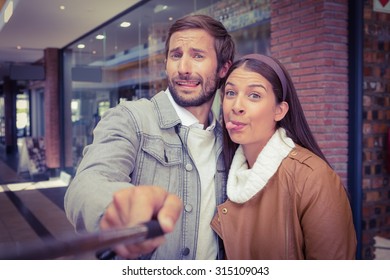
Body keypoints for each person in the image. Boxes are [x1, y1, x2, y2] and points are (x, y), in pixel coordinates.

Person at [64, 14, 235, 260]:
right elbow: (88, 182)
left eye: (198, 56)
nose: (184, 68)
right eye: (176, 55)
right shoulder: (130, 118)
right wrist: (114, 208)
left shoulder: (228, 140)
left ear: (223, 68)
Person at [210, 54, 357, 259]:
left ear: (280, 110)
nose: (236, 106)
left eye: (254, 95)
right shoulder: (224, 171)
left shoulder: (313, 177)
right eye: (231, 92)